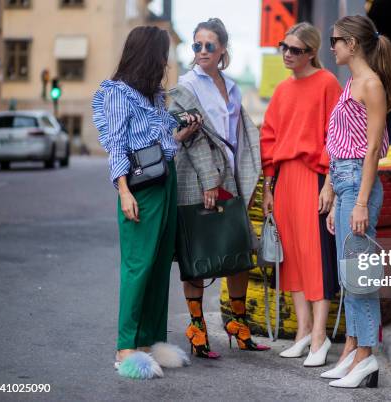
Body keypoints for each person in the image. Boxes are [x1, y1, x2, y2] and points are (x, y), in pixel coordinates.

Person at [92, 26, 195, 379]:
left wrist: (181, 131)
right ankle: (125, 349)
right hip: (139, 185)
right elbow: (116, 144)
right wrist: (123, 191)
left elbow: (160, 139)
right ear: (149, 55)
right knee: (138, 267)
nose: (166, 61)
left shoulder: (152, 95)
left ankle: (151, 341)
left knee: (159, 264)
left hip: (165, 179)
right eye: (163, 54)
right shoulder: (118, 93)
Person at [168, 18, 267, 359]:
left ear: (223, 48)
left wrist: (251, 178)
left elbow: (240, 134)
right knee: (197, 253)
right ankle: (197, 329)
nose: (202, 52)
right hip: (197, 179)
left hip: (229, 180)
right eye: (197, 45)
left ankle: (237, 325)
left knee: (240, 252)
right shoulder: (185, 86)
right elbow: (192, 139)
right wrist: (210, 179)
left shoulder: (233, 86)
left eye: (209, 45)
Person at [261, 22, 341, 367]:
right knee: (291, 255)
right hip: (284, 180)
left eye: (295, 49)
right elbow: (269, 137)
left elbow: (336, 136)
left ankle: (320, 337)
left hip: (313, 176)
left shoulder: (327, 84)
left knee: (315, 257)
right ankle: (303, 332)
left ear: (311, 52)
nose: (287, 54)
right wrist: (268, 185)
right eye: (284, 47)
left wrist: (329, 185)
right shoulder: (281, 90)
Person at [323, 15, 391, 388]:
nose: (331, 45)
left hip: (359, 185)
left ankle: (366, 355)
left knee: (360, 278)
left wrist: (361, 203)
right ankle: (352, 349)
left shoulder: (371, 85)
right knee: (348, 278)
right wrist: (330, 187)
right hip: (345, 181)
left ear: (352, 43)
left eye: (335, 39)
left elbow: (370, 151)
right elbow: (338, 140)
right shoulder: (350, 82)